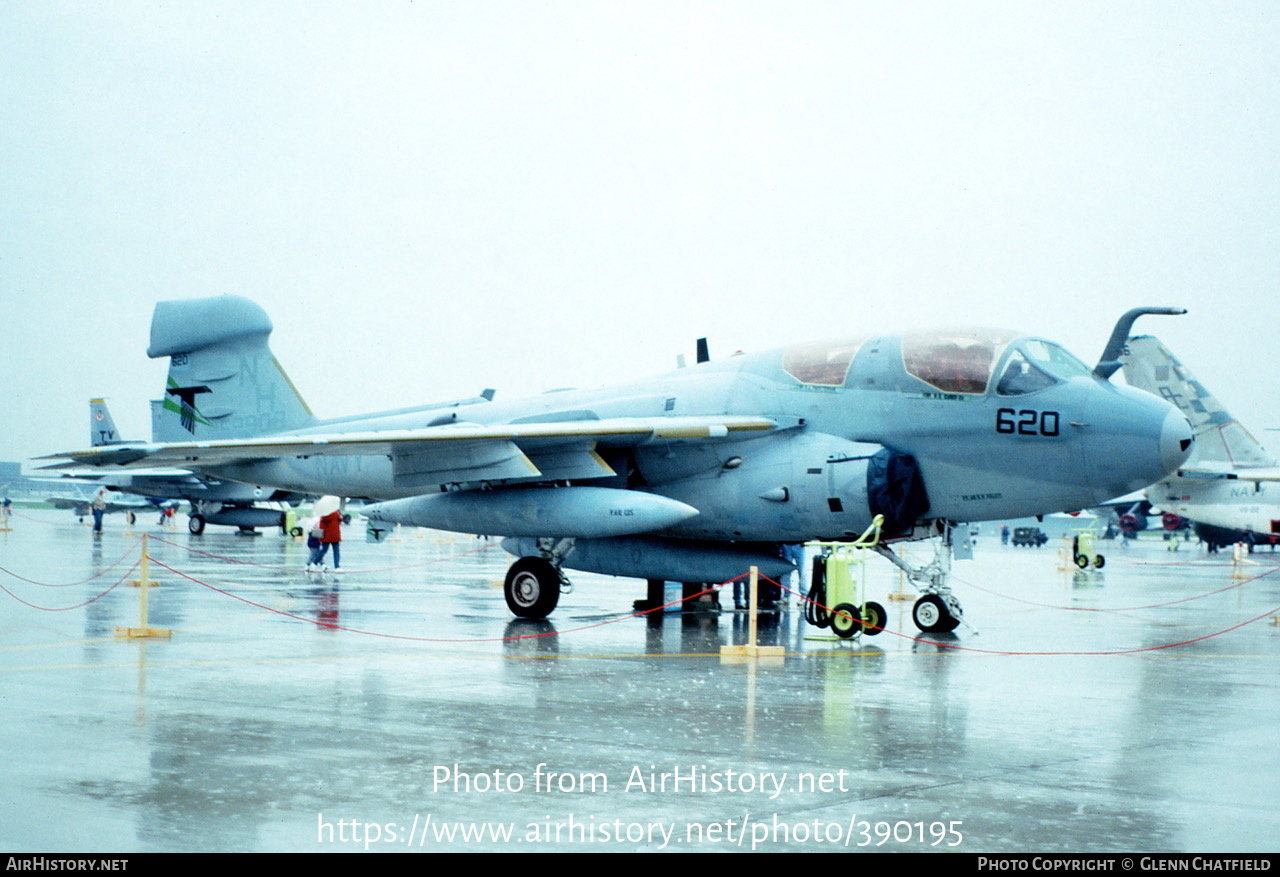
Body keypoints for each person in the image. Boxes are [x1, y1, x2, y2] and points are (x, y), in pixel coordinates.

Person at [308, 496, 344, 571]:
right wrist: (339, 515)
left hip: (327, 535)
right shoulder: (334, 514)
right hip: (333, 535)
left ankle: (314, 564)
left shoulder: (325, 515)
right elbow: (339, 520)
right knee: (335, 551)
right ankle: (337, 567)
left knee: (324, 550)